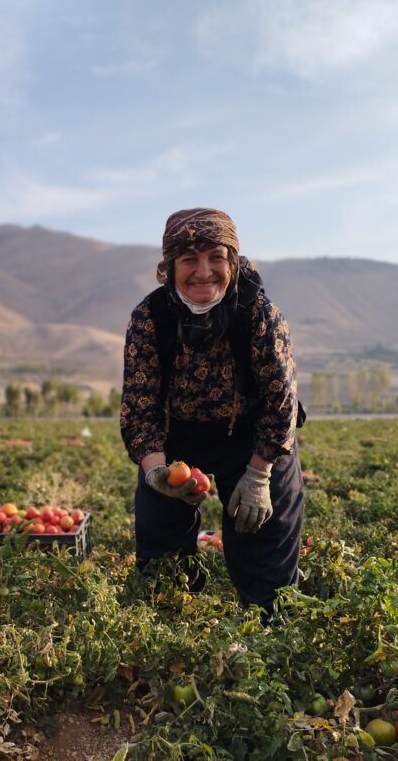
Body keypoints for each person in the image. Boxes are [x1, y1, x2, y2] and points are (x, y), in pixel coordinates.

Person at [119, 207, 305, 610]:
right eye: (189, 259)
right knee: (162, 554)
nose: (204, 272)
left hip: (254, 440)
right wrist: (155, 472)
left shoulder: (259, 314)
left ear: (233, 263)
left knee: (262, 542)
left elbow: (281, 402)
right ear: (169, 267)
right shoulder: (149, 319)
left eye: (215, 258)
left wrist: (258, 475)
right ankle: (173, 634)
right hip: (177, 440)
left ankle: (267, 636)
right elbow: (139, 408)